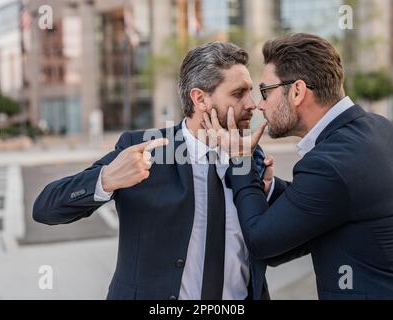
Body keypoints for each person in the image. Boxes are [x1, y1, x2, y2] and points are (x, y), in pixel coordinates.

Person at [33, 41, 300, 300]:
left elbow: (283, 234)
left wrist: (269, 190)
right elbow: (45, 208)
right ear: (200, 98)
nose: (252, 104)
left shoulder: (250, 158)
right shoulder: (144, 150)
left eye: (251, 92)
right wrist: (107, 178)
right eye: (238, 93)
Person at [203, 33, 393, 299]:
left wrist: (240, 160)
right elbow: (324, 208)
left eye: (265, 92)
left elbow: (262, 242)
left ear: (297, 91)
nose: (259, 105)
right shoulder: (379, 128)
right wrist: (270, 188)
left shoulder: (330, 163)